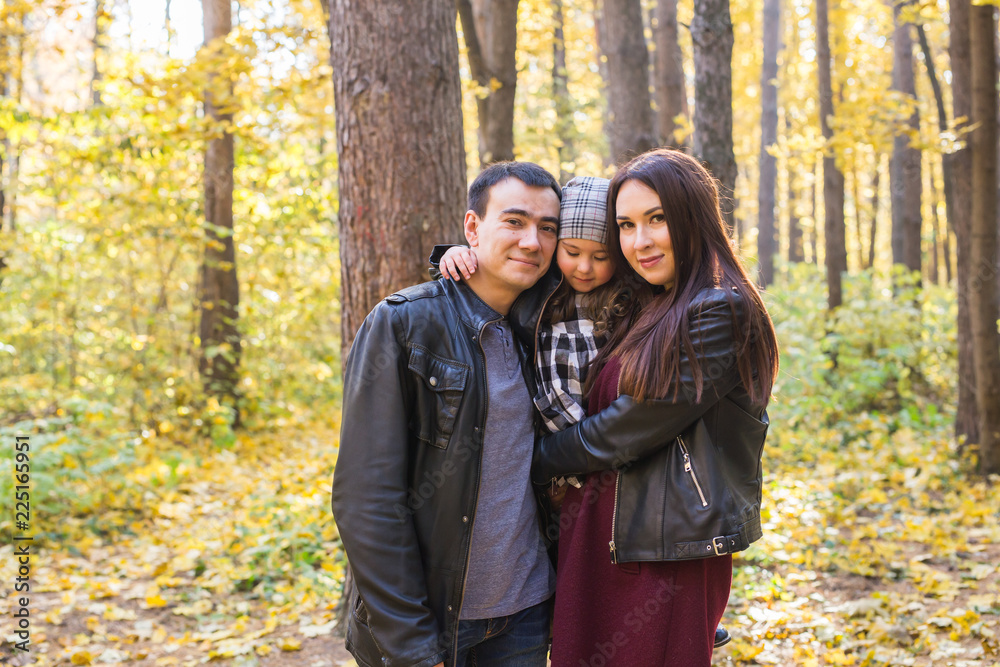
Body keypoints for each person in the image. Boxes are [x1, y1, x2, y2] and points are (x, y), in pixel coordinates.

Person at [439, 176, 733, 651]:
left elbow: (633, 423)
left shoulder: (641, 297)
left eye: (600, 256)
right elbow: (501, 263)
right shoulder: (541, 289)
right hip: (564, 449)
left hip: (604, 470)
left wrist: (533, 459)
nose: (584, 267)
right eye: (572, 251)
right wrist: (450, 254)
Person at [531, 148, 780, 667]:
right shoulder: (649, 299)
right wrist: (455, 256)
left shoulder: (720, 308)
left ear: (694, 216)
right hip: (598, 533)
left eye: (657, 219)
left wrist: (530, 461)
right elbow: (546, 286)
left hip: (664, 554)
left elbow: (624, 431)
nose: (638, 241)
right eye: (625, 225)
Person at [331, 161, 564, 667]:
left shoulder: (543, 327)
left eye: (548, 228)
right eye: (515, 221)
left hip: (525, 614)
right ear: (472, 228)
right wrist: (412, 645)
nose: (532, 241)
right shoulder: (403, 324)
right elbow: (365, 500)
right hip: (435, 621)